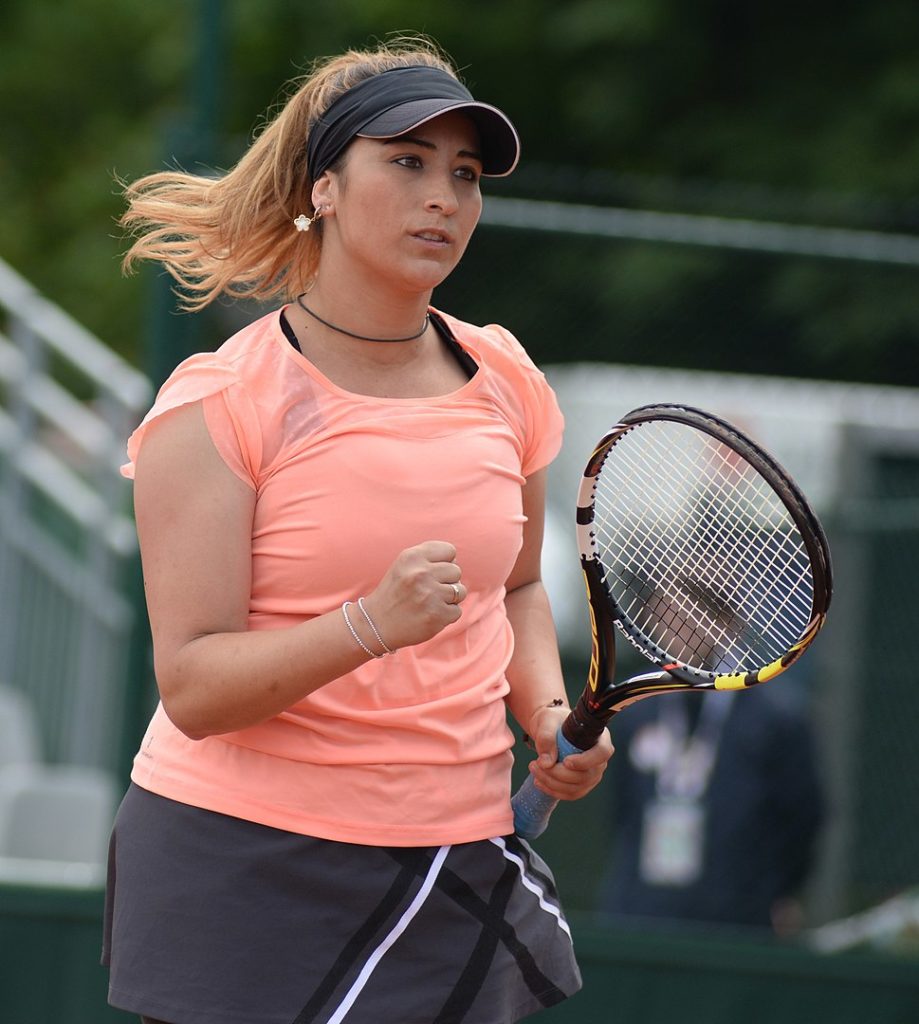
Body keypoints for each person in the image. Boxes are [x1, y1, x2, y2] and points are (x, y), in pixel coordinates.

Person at [101, 36, 613, 1024]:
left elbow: (513, 587)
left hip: (451, 855)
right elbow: (195, 686)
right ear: (324, 188)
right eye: (407, 163)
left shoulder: (505, 377)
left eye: (464, 175)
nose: (444, 198)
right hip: (240, 858)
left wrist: (548, 717)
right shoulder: (219, 402)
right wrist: (368, 624)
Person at [598, 679, 824, 934]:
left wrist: (775, 894)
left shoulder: (777, 716)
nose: (684, 637)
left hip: (735, 925)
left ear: (735, 634)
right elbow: (621, 810)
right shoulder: (634, 708)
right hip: (639, 916)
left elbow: (802, 820)